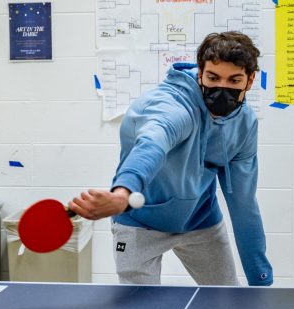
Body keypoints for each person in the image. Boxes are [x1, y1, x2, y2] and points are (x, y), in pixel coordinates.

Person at [69, 31, 273, 286]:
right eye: (212, 77)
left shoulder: (244, 124)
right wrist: (123, 194)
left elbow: (243, 203)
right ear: (200, 74)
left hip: (200, 219)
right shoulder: (175, 107)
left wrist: (261, 281)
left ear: (250, 81)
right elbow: (152, 143)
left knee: (226, 302)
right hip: (139, 221)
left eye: (234, 80)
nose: (222, 88)